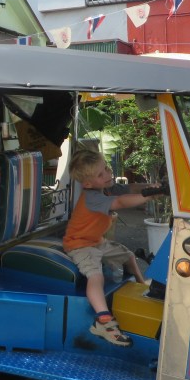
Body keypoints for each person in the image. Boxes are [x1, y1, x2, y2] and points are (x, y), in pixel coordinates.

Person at [62, 149, 165, 347]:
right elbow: (120, 202)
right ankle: (103, 321)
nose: (108, 174)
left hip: (96, 241)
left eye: (106, 169)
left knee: (128, 255)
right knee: (96, 276)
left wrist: (153, 188)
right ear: (88, 184)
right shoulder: (92, 197)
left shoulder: (106, 187)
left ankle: (141, 283)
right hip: (79, 244)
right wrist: (145, 196)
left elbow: (130, 189)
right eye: (101, 174)